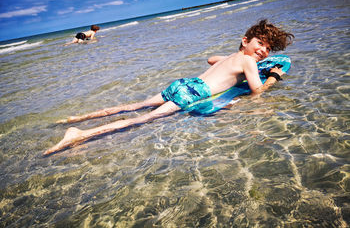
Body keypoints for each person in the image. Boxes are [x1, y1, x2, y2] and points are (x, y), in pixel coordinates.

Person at [44, 19, 294, 155]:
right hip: (195, 94)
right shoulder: (249, 61)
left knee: (134, 106)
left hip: (184, 83)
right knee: (139, 120)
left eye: (268, 49)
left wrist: (235, 60)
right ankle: (78, 135)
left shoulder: (235, 56)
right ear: (246, 41)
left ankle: (76, 118)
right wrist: (273, 77)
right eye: (260, 43)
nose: (263, 50)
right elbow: (256, 91)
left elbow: (211, 60)